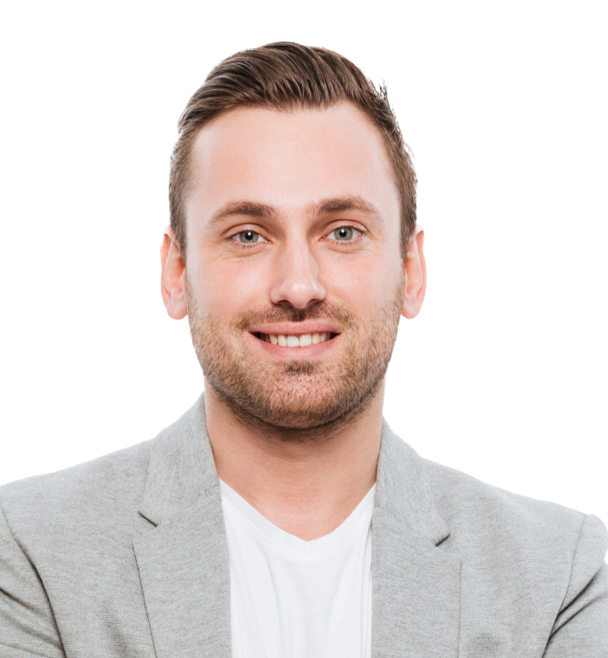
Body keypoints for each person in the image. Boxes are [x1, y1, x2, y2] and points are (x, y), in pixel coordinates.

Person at [1, 40, 606, 658]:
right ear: (175, 273)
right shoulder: (26, 548)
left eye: (342, 231)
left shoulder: (563, 574)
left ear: (411, 269)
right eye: (248, 235)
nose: (298, 286)